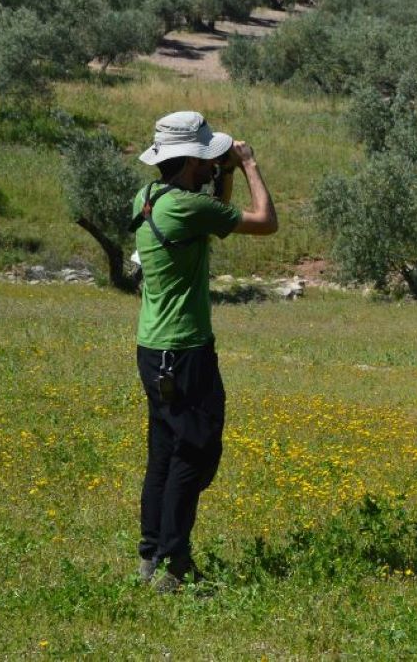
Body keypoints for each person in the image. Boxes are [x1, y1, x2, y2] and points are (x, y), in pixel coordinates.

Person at [130, 110, 278, 593]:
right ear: (193, 160)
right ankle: (175, 563)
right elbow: (265, 223)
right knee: (195, 452)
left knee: (164, 453)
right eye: (208, 157)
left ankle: (151, 556)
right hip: (185, 349)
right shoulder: (187, 208)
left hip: (153, 348)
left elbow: (214, 220)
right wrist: (250, 166)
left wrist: (224, 175)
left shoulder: (151, 199)